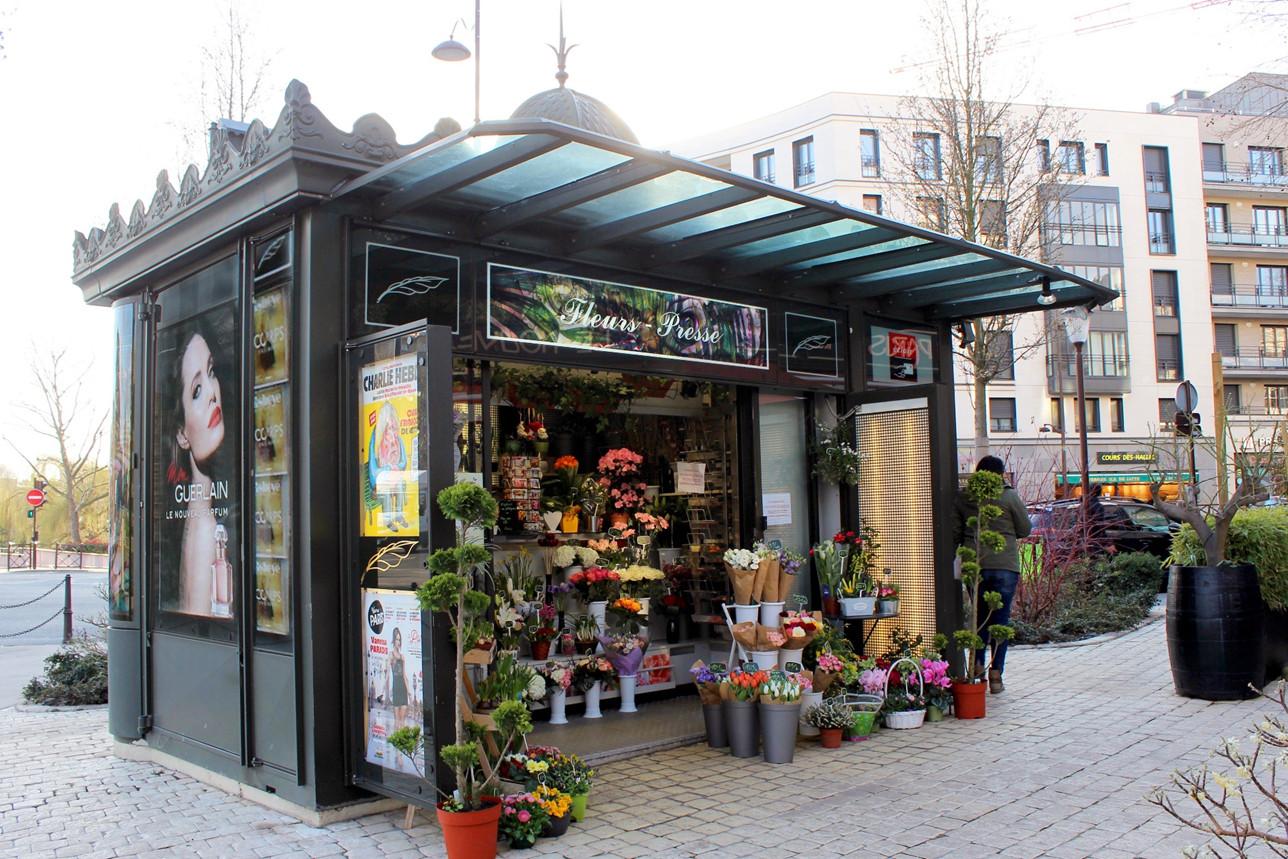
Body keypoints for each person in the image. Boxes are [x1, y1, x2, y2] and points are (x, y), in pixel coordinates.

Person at [165, 327, 232, 617]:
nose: (212, 395)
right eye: (196, 390)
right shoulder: (207, 532)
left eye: (211, 371)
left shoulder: (203, 517)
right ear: (182, 434)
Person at [954, 455, 1031, 694]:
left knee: (979, 619)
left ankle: (976, 667)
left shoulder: (964, 497)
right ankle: (996, 674)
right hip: (1005, 565)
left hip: (974, 566)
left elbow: (955, 532)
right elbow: (1025, 529)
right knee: (1000, 621)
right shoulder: (1009, 496)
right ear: (1001, 474)